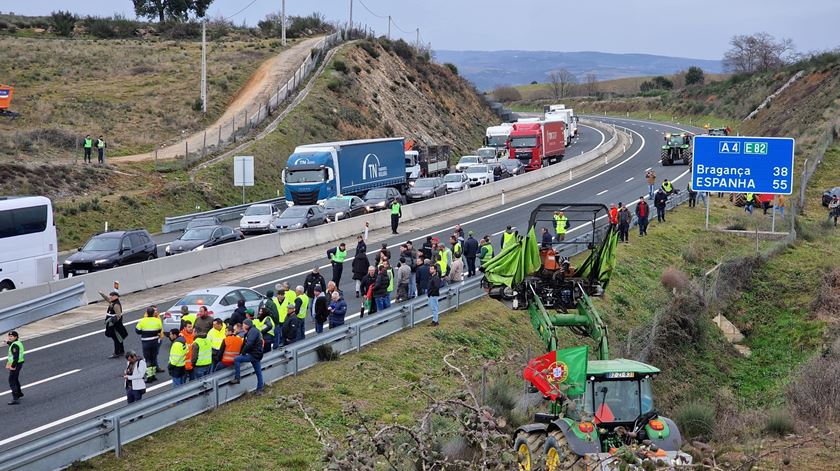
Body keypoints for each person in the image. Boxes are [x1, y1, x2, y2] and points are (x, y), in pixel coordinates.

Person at [230, 319, 264, 395]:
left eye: (243, 324)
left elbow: (248, 344)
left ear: (247, 325)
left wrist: (243, 354)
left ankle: (237, 378)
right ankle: (260, 388)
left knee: (237, 359)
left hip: (254, 355)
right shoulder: (252, 331)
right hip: (257, 354)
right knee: (258, 372)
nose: (242, 326)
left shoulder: (252, 332)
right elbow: (245, 344)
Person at [135, 307, 163, 383]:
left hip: (146, 342)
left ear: (147, 313)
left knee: (148, 359)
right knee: (153, 358)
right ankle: (153, 375)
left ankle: (149, 376)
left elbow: (137, 331)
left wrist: (144, 332)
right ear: (153, 313)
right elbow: (160, 330)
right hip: (155, 342)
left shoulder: (142, 321)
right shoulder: (157, 320)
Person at [102, 290, 127, 358]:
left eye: (112, 296)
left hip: (115, 325)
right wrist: (102, 294)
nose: (110, 297)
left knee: (116, 338)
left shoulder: (116, 305)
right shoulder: (113, 303)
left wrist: (111, 322)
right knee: (119, 338)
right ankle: (121, 351)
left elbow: (118, 316)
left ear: (116, 297)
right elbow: (107, 299)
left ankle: (117, 352)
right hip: (114, 324)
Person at [6, 331, 24, 405]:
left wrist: (13, 366)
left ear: (16, 337)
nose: (10, 337)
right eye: (9, 336)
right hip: (19, 363)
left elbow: (15, 357)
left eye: (12, 336)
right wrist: (8, 342)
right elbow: (13, 346)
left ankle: (15, 398)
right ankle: (19, 393)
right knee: (15, 379)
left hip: (15, 364)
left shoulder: (15, 346)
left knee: (11, 380)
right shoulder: (17, 343)